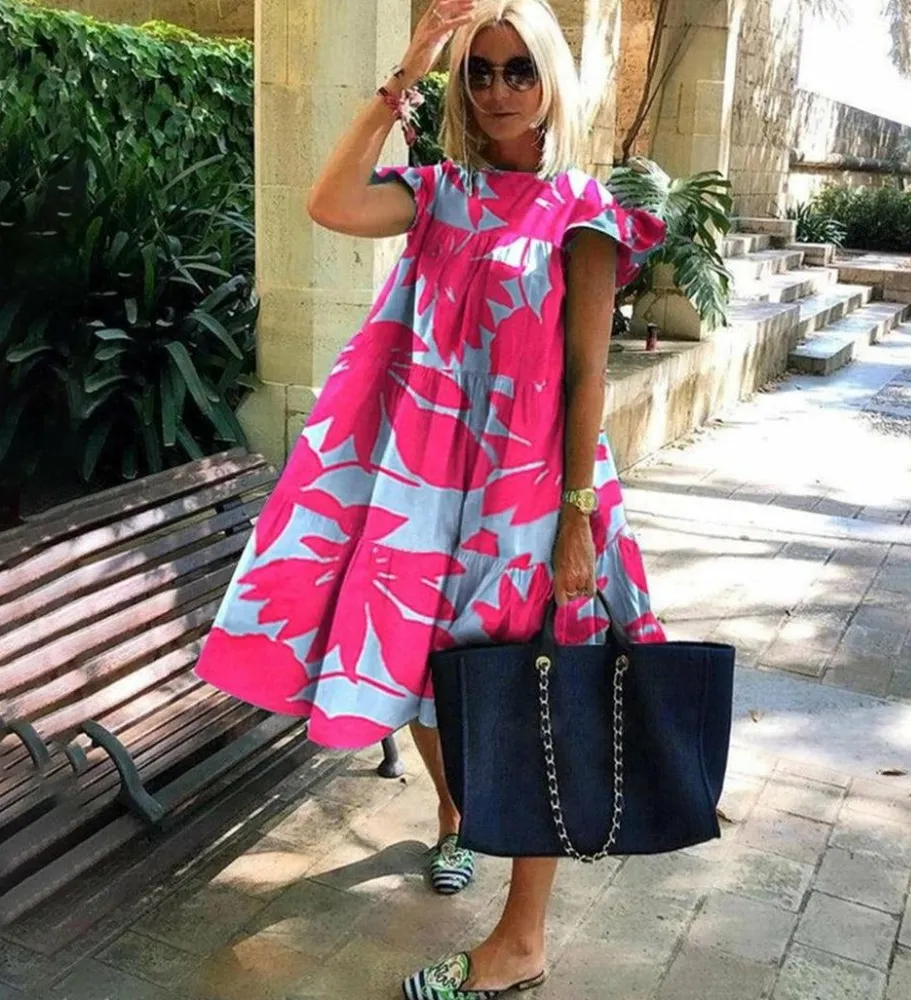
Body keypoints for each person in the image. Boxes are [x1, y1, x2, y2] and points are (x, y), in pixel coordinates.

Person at [194, 0, 668, 994]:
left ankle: (521, 939)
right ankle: (454, 816)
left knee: (538, 695)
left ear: (549, 81)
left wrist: (576, 516)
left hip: (530, 495)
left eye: (517, 70)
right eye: (479, 71)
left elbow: (588, 372)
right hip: (423, 485)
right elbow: (328, 204)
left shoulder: (580, 209)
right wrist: (403, 74)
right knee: (422, 671)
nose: (496, 90)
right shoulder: (441, 192)